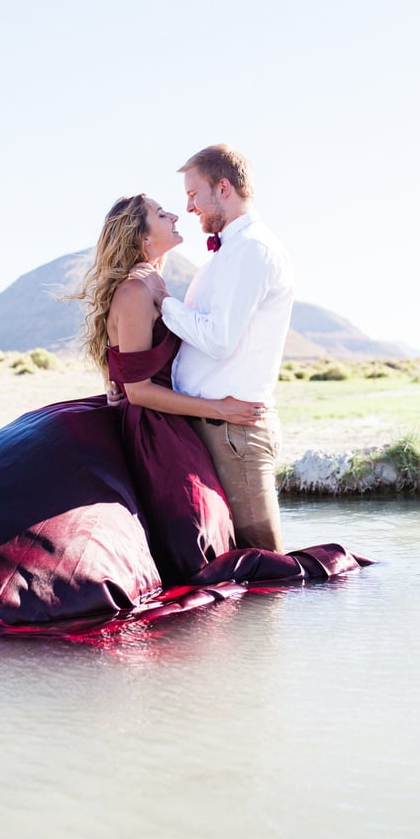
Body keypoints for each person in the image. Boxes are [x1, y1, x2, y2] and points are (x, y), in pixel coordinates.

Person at [0, 193, 369, 633]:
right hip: (157, 426)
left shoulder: (156, 283)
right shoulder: (138, 289)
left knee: (203, 547)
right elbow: (138, 391)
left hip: (171, 422)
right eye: (163, 214)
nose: (175, 217)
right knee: (196, 550)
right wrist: (217, 406)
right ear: (142, 237)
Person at [153, 144, 293, 553]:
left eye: (194, 194)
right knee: (243, 566)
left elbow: (218, 339)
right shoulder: (229, 252)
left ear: (224, 187)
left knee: (267, 565)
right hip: (216, 428)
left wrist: (163, 302)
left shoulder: (252, 250)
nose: (190, 207)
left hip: (235, 434)